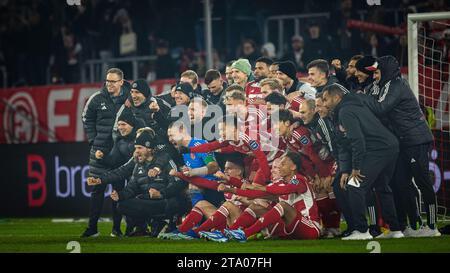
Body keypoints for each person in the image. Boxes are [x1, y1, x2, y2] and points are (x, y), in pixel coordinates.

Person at [358, 55, 440, 237]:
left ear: (386, 72)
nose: (374, 76)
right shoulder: (380, 86)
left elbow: (380, 108)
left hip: (415, 139)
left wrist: (363, 97)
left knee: (423, 181)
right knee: (400, 183)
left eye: (377, 73)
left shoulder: (398, 85)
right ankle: (412, 225)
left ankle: (433, 227)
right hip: (402, 140)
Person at [322, 84, 403, 240]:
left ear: (337, 97)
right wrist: (346, 169)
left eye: (326, 99)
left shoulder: (345, 111)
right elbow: (346, 144)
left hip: (377, 149)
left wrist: (356, 167)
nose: (324, 104)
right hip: (390, 146)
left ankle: (362, 231)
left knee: (355, 185)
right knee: (382, 186)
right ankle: (395, 229)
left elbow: (357, 140)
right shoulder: (353, 105)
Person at [88, 129, 184, 237]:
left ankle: (167, 223)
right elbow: (130, 185)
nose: (136, 151)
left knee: (175, 201)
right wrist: (119, 195)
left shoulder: (165, 159)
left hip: (165, 200)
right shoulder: (137, 163)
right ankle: (149, 225)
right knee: (122, 205)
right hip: (149, 201)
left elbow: (178, 184)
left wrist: (161, 193)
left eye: (139, 148)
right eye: (135, 148)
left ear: (149, 148)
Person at [220, 152, 321, 242]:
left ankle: (245, 234)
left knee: (283, 205)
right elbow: (254, 193)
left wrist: (262, 188)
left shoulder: (298, 179)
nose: (279, 167)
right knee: (255, 207)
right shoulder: (279, 183)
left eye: (283, 164)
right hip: (291, 230)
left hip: (310, 228)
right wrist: (230, 189)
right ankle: (228, 233)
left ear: (293, 167)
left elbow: (287, 189)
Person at [81, 68, 131, 237]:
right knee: (97, 190)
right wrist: (93, 140)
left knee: (118, 190)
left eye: (113, 81)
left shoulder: (129, 97)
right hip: (99, 152)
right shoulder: (96, 98)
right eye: (107, 81)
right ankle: (92, 228)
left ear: (121, 82)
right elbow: (86, 117)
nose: (109, 84)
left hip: (119, 152)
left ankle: (116, 229)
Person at [159, 122, 224, 240]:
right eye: (168, 136)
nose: (170, 139)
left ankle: (191, 230)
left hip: (214, 188)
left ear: (183, 130)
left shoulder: (200, 144)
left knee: (192, 190)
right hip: (200, 188)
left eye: (172, 135)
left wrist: (194, 172)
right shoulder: (184, 151)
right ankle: (185, 229)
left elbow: (214, 166)